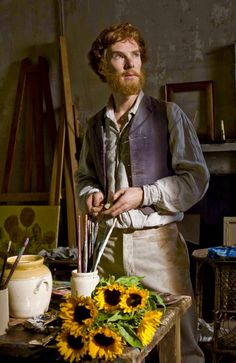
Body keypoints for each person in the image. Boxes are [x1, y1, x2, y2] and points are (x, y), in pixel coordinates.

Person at [76, 22, 209, 363]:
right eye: (119, 57)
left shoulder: (169, 114)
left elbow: (195, 179)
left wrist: (144, 194)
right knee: (111, 346)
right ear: (103, 67)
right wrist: (89, 195)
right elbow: (84, 178)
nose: (130, 64)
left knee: (180, 347)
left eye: (135, 55)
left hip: (158, 247)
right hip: (106, 248)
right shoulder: (94, 125)